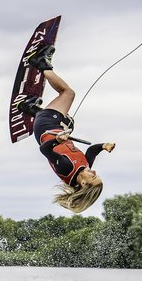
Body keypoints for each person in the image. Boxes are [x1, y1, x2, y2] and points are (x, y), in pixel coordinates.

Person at [18, 45, 116, 213]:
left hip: (45, 126)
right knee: (68, 122)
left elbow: (45, 151)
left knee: (68, 93)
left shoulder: (67, 168)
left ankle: (40, 62)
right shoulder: (83, 168)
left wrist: (57, 140)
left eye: (94, 176)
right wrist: (103, 146)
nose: (93, 172)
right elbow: (91, 152)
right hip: (52, 126)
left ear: (83, 183)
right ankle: (29, 108)